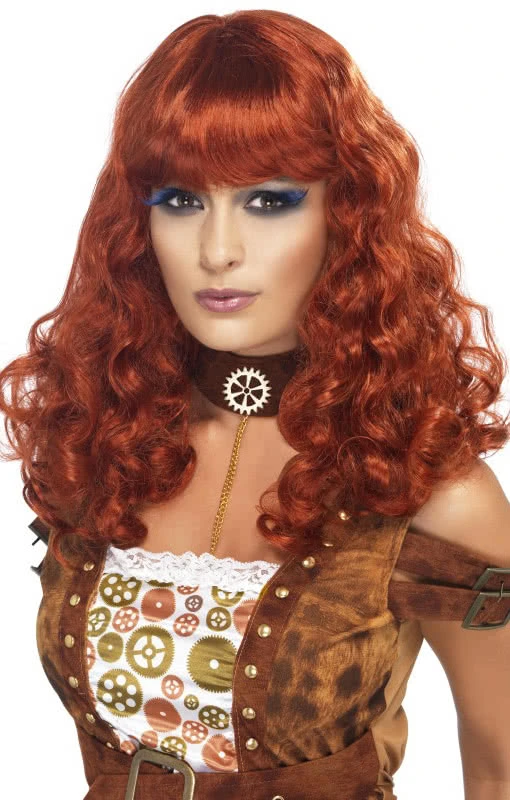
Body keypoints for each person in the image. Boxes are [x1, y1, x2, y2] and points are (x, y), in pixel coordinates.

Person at [1, 9, 509, 800]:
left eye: (269, 201)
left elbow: (501, 767)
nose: (218, 251)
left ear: (348, 215)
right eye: (180, 199)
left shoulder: (431, 489)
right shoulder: (107, 447)